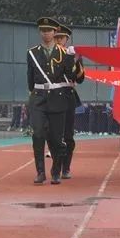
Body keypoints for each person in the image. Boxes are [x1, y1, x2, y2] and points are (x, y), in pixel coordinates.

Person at [27, 17, 76, 185]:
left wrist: (72, 60)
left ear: (55, 32)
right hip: (39, 98)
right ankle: (40, 171)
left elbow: (72, 75)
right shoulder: (32, 53)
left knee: (56, 138)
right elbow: (30, 78)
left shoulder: (64, 53)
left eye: (48, 30)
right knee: (38, 133)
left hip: (57, 98)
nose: (45, 33)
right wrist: (32, 97)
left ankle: (56, 170)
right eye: (42, 30)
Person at [55, 25, 85, 178]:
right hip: (53, 96)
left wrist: (78, 60)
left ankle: (65, 167)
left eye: (62, 37)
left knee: (68, 135)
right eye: (57, 37)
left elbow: (79, 79)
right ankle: (56, 166)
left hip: (68, 96)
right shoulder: (51, 55)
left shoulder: (71, 55)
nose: (59, 40)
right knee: (54, 134)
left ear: (67, 39)